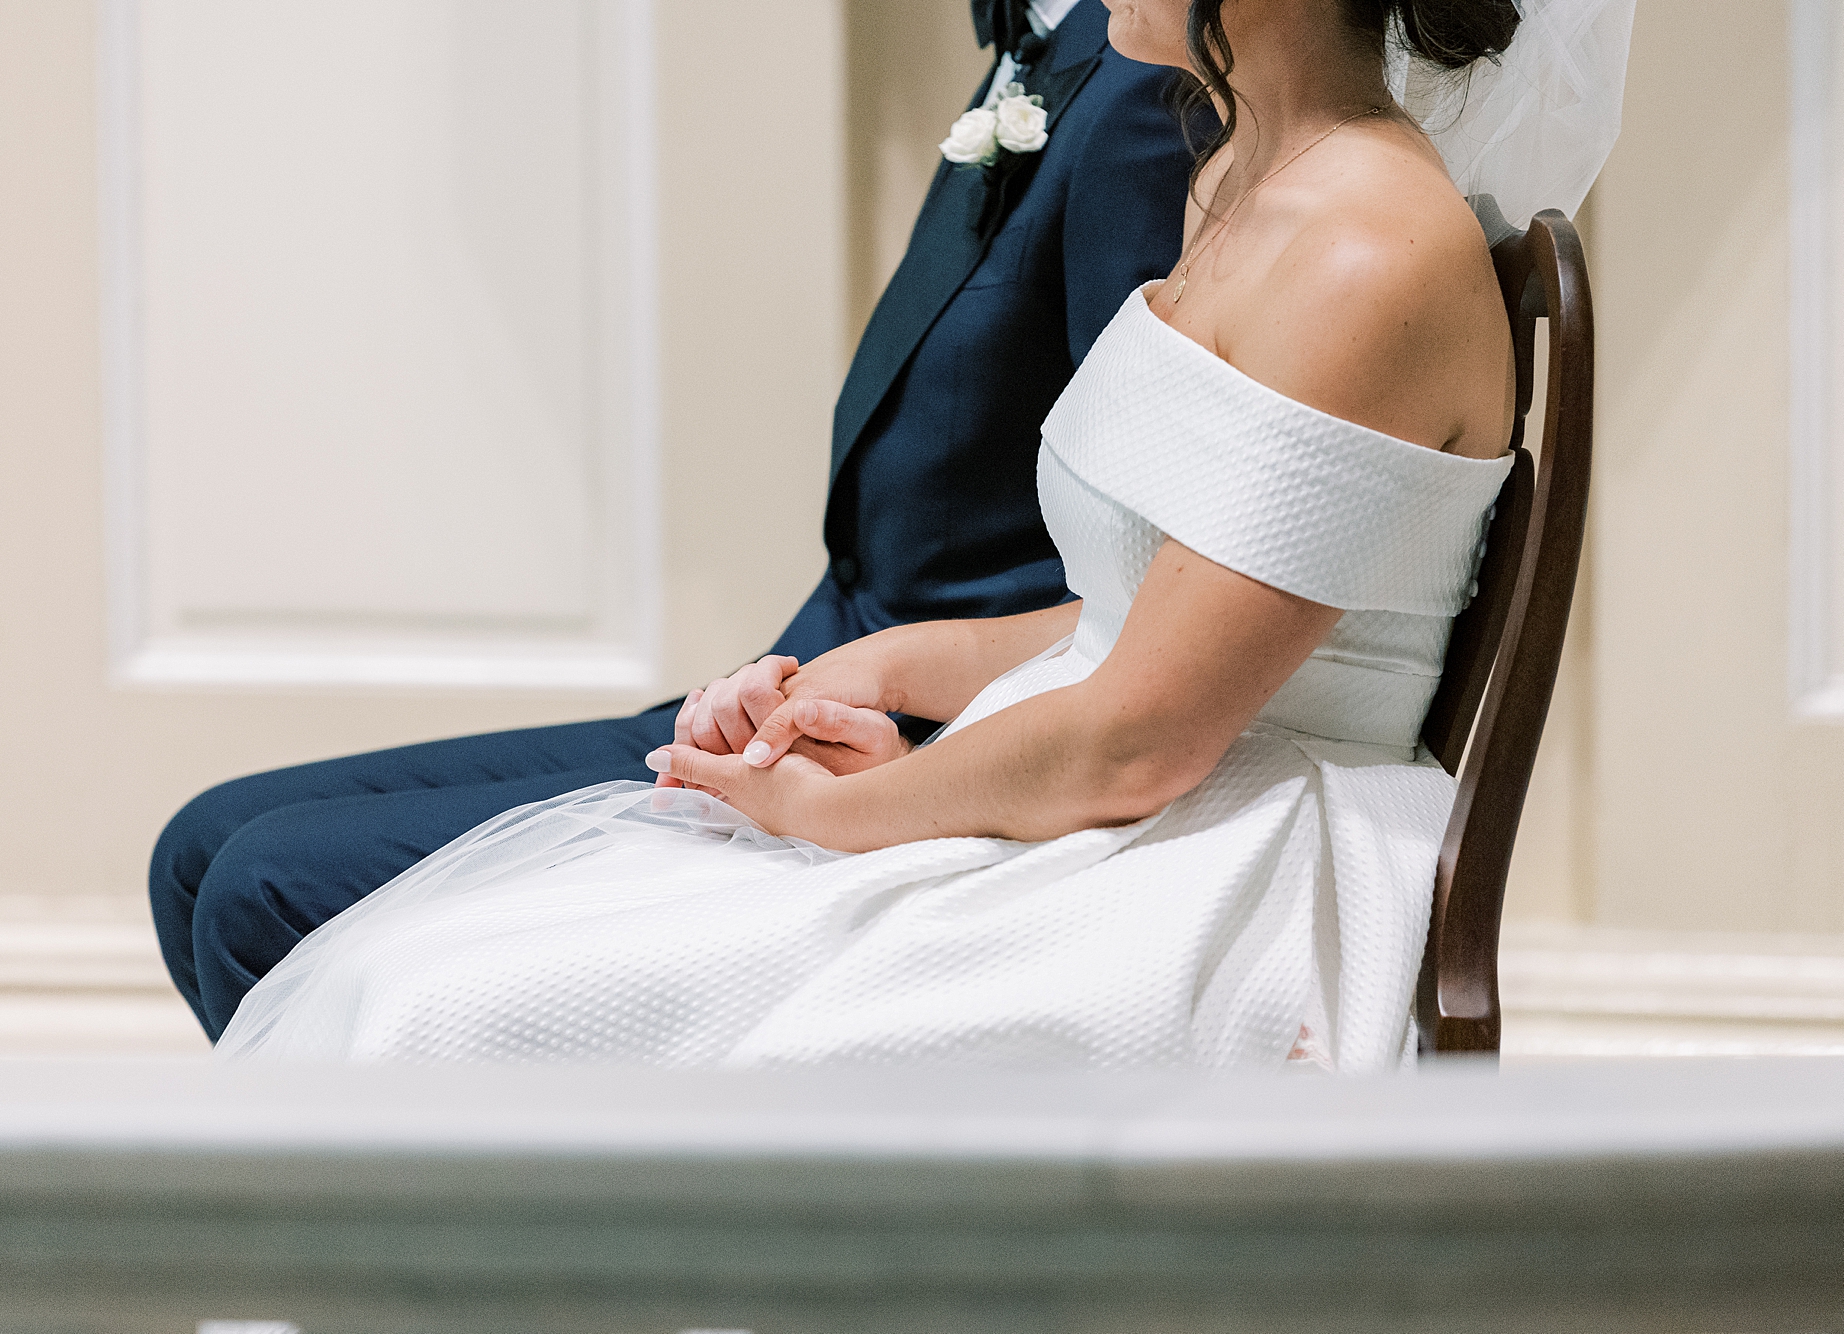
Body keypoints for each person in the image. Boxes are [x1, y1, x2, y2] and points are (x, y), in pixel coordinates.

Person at [218, 0, 1633, 1070]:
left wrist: (828, 815)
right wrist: (886, 671)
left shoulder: (1365, 252)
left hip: (1219, 865)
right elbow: (1149, 604)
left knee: (429, 1012)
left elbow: (1140, 737)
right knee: (412, 968)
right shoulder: (1240, 183)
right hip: (1140, 787)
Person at [150, 0, 1205, 1041]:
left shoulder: (1135, 87)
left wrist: (879, 713)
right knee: (199, 848)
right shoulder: (1053, 43)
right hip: (822, 655)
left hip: (916, 720)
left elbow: (1128, 537)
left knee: (262, 885)